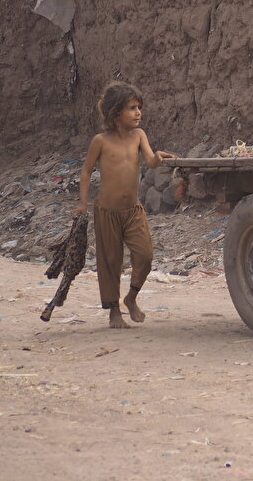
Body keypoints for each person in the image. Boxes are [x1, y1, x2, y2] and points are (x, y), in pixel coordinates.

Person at [74, 81, 173, 329]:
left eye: (139, 107)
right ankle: (114, 312)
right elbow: (86, 172)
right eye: (132, 108)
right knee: (110, 262)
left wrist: (158, 157)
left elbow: (149, 161)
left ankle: (131, 297)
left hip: (133, 210)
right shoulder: (100, 141)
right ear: (116, 113)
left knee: (145, 254)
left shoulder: (139, 136)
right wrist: (82, 204)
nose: (138, 112)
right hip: (106, 211)